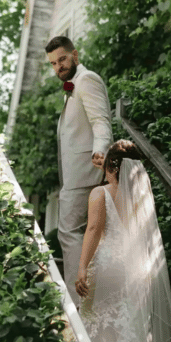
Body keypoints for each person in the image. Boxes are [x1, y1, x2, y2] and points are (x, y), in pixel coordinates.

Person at [75, 140, 171, 342]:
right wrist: (109, 165)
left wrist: (82, 267)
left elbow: (93, 230)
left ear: (110, 166)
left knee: (97, 328)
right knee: (128, 333)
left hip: (107, 267)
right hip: (135, 269)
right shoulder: (140, 200)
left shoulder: (99, 193)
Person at [45, 36, 113, 305]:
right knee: (86, 234)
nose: (58, 66)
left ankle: (77, 301)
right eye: (53, 63)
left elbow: (101, 121)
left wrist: (101, 150)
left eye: (62, 59)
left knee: (68, 231)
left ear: (75, 54)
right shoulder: (71, 87)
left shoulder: (87, 80)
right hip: (76, 175)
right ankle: (90, 295)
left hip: (85, 171)